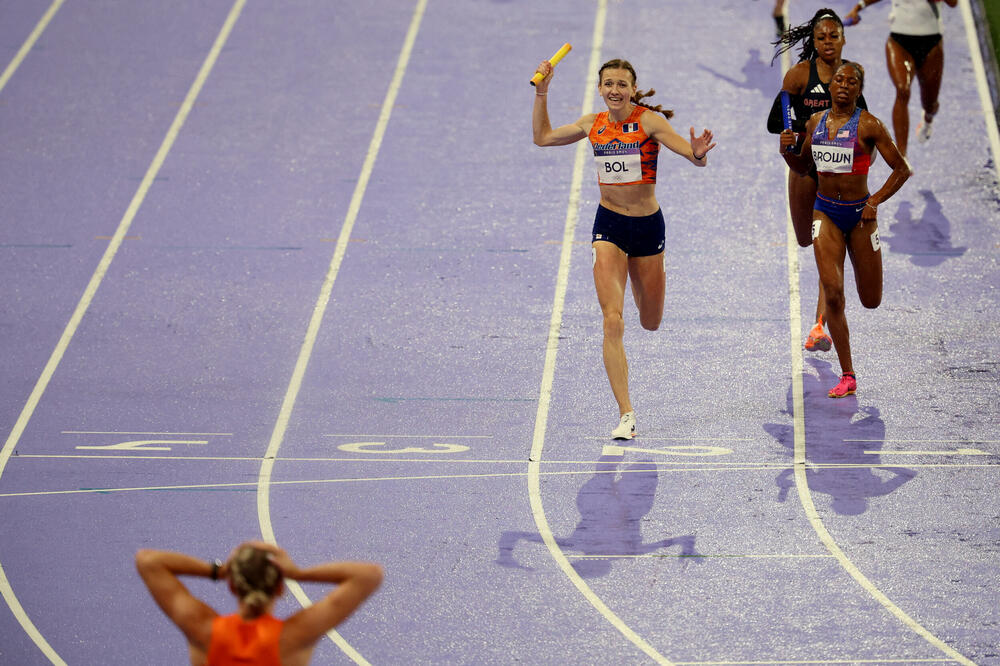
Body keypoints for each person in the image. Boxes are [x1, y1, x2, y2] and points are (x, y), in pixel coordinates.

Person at [532, 58, 715, 439]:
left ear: (633, 89)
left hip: (648, 228)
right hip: (609, 226)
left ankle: (647, 275)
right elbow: (543, 137)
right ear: (600, 89)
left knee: (650, 321)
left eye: (622, 84)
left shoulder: (650, 122)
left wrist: (697, 152)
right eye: (608, 83)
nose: (615, 90)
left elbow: (692, 157)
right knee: (612, 320)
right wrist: (542, 91)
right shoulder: (591, 124)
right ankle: (626, 414)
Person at [780, 62, 911, 397]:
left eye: (851, 81)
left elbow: (901, 169)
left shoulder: (869, 125)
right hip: (825, 212)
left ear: (858, 89)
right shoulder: (815, 122)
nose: (843, 85)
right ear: (831, 85)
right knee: (833, 293)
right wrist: (787, 153)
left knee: (870, 300)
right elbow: (805, 165)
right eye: (838, 79)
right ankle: (848, 374)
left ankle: (847, 358)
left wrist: (875, 201)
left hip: (861, 217)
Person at [768, 8, 869, 355]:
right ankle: (820, 321)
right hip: (805, 168)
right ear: (814, 40)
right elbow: (775, 120)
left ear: (843, 39)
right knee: (804, 240)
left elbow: (865, 123)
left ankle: (818, 325)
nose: (828, 42)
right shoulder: (800, 75)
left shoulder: (850, 77)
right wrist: (797, 128)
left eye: (834, 36)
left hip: (837, 179)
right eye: (821, 37)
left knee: (830, 248)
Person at [136, 541, 383, 665]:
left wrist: (216, 570)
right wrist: (299, 573)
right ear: (279, 586)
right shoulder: (292, 638)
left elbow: (148, 561)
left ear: (232, 584)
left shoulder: (203, 630)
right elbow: (368, 575)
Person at [844, 0, 957, 156]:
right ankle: (902, 155)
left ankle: (928, 118)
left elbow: (953, 3)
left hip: (931, 43)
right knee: (902, 90)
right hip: (899, 42)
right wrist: (859, 7)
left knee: (930, 104)